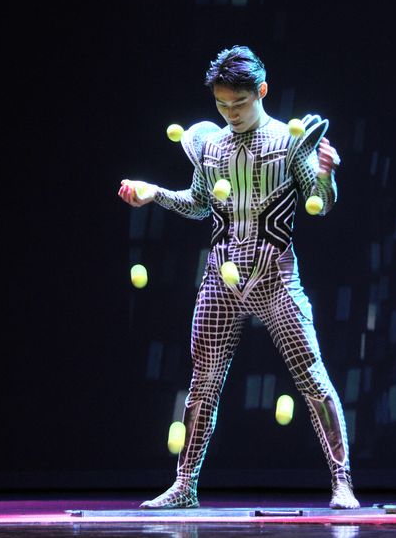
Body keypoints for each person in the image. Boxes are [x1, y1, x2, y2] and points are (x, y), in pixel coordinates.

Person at [117, 45, 359, 510]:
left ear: (262, 92)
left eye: (239, 103)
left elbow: (321, 204)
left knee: (311, 376)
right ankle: (184, 485)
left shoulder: (289, 141)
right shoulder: (209, 145)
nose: (230, 113)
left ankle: (342, 482)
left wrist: (327, 175)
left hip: (275, 276)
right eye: (222, 104)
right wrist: (154, 193)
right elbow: (199, 204)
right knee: (203, 383)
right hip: (220, 279)